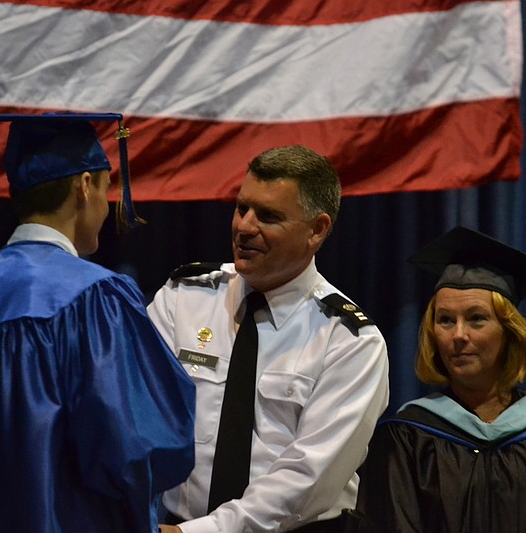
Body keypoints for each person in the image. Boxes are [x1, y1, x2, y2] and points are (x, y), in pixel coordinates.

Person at [0, 113, 196, 532]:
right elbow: (136, 448)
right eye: (106, 188)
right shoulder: (96, 301)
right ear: (85, 187)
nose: (107, 205)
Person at [148, 145, 389, 532]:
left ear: (317, 229)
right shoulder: (183, 299)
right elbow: (137, 418)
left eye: (269, 216)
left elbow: (307, 478)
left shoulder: (350, 341)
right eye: (242, 208)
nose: (244, 227)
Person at [356, 225, 526, 532]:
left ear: (510, 331)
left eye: (477, 318)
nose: (458, 335)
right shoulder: (406, 440)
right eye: (445, 320)